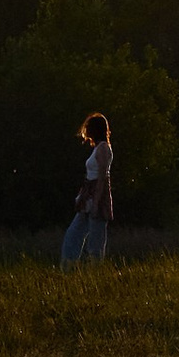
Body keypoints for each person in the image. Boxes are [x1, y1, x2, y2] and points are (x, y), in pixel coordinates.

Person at [61, 112, 113, 266]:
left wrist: (96, 202)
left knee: (95, 241)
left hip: (97, 196)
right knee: (73, 234)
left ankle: (94, 271)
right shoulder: (98, 148)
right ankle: (68, 265)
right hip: (88, 197)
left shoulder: (103, 148)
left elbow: (103, 177)